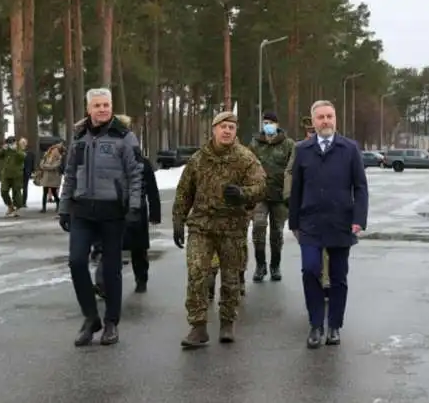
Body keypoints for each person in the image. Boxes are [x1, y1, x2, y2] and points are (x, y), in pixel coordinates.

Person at [58, 87, 144, 347]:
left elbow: (136, 173)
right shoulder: (80, 137)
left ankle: (111, 322)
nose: (103, 109)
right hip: (83, 210)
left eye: (106, 105)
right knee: (76, 262)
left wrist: (135, 206)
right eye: (97, 105)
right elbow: (71, 173)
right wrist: (64, 206)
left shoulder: (124, 137)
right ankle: (90, 317)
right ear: (89, 109)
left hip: (113, 212)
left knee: (110, 269)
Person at [172, 110, 266, 348]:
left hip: (232, 227)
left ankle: (227, 322)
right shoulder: (198, 159)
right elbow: (184, 192)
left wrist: (243, 194)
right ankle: (198, 326)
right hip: (201, 226)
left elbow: (261, 186)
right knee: (197, 273)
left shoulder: (245, 158)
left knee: (231, 278)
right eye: (222, 126)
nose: (227, 131)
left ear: (236, 132)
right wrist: (178, 220)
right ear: (213, 129)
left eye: (231, 128)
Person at [289, 100, 369, 349]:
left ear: (336, 119)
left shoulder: (350, 149)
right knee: (310, 271)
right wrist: (294, 221)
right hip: (310, 223)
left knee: (338, 276)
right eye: (321, 117)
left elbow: (360, 187)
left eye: (330, 116)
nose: (326, 121)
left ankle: (334, 325)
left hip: (340, 222)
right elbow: (296, 189)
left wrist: (358, 218)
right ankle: (315, 325)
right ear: (313, 122)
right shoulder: (303, 150)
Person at [95, 152, 161, 294]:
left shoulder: (142, 163)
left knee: (138, 248)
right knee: (110, 247)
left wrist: (155, 213)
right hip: (114, 210)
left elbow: (152, 189)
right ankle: (104, 283)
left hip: (137, 210)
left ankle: (141, 279)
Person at [284, 116, 332, 298]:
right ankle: (316, 277)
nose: (312, 133)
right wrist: (289, 196)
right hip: (306, 206)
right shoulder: (300, 149)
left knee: (327, 246)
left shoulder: (335, 146)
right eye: (309, 130)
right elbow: (290, 171)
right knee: (312, 249)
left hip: (329, 206)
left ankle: (326, 281)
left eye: (315, 130)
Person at [249, 112, 295, 282]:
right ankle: (260, 265)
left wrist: (290, 193)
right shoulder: (255, 143)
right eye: (264, 122)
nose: (267, 125)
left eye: (270, 122)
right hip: (260, 194)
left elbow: (292, 169)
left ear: (277, 124)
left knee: (277, 233)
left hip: (280, 196)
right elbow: (247, 165)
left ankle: (275, 266)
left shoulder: (288, 144)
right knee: (258, 228)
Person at [0, 136, 25, 217]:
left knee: (16, 193)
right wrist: (3, 149)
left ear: (15, 142)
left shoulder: (18, 149)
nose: (10, 144)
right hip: (6, 175)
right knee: (3, 191)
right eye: (9, 143)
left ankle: (17, 208)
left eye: (12, 143)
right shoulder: (6, 150)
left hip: (17, 175)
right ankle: (10, 206)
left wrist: (16, 150)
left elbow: (23, 156)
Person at [37, 143, 64, 213]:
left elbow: (54, 167)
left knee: (54, 192)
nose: (54, 151)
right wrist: (48, 166)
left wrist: (46, 166)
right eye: (53, 150)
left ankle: (58, 204)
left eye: (56, 150)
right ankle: (43, 208)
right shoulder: (46, 156)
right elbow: (41, 165)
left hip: (54, 178)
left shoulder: (59, 158)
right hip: (46, 177)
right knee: (44, 192)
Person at [20, 137, 35, 209]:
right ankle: (18, 201)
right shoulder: (17, 152)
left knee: (25, 188)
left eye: (24, 142)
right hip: (18, 172)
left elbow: (32, 163)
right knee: (17, 187)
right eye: (21, 142)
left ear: (26, 144)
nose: (23, 144)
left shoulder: (30, 153)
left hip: (26, 172)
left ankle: (24, 202)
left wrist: (32, 171)